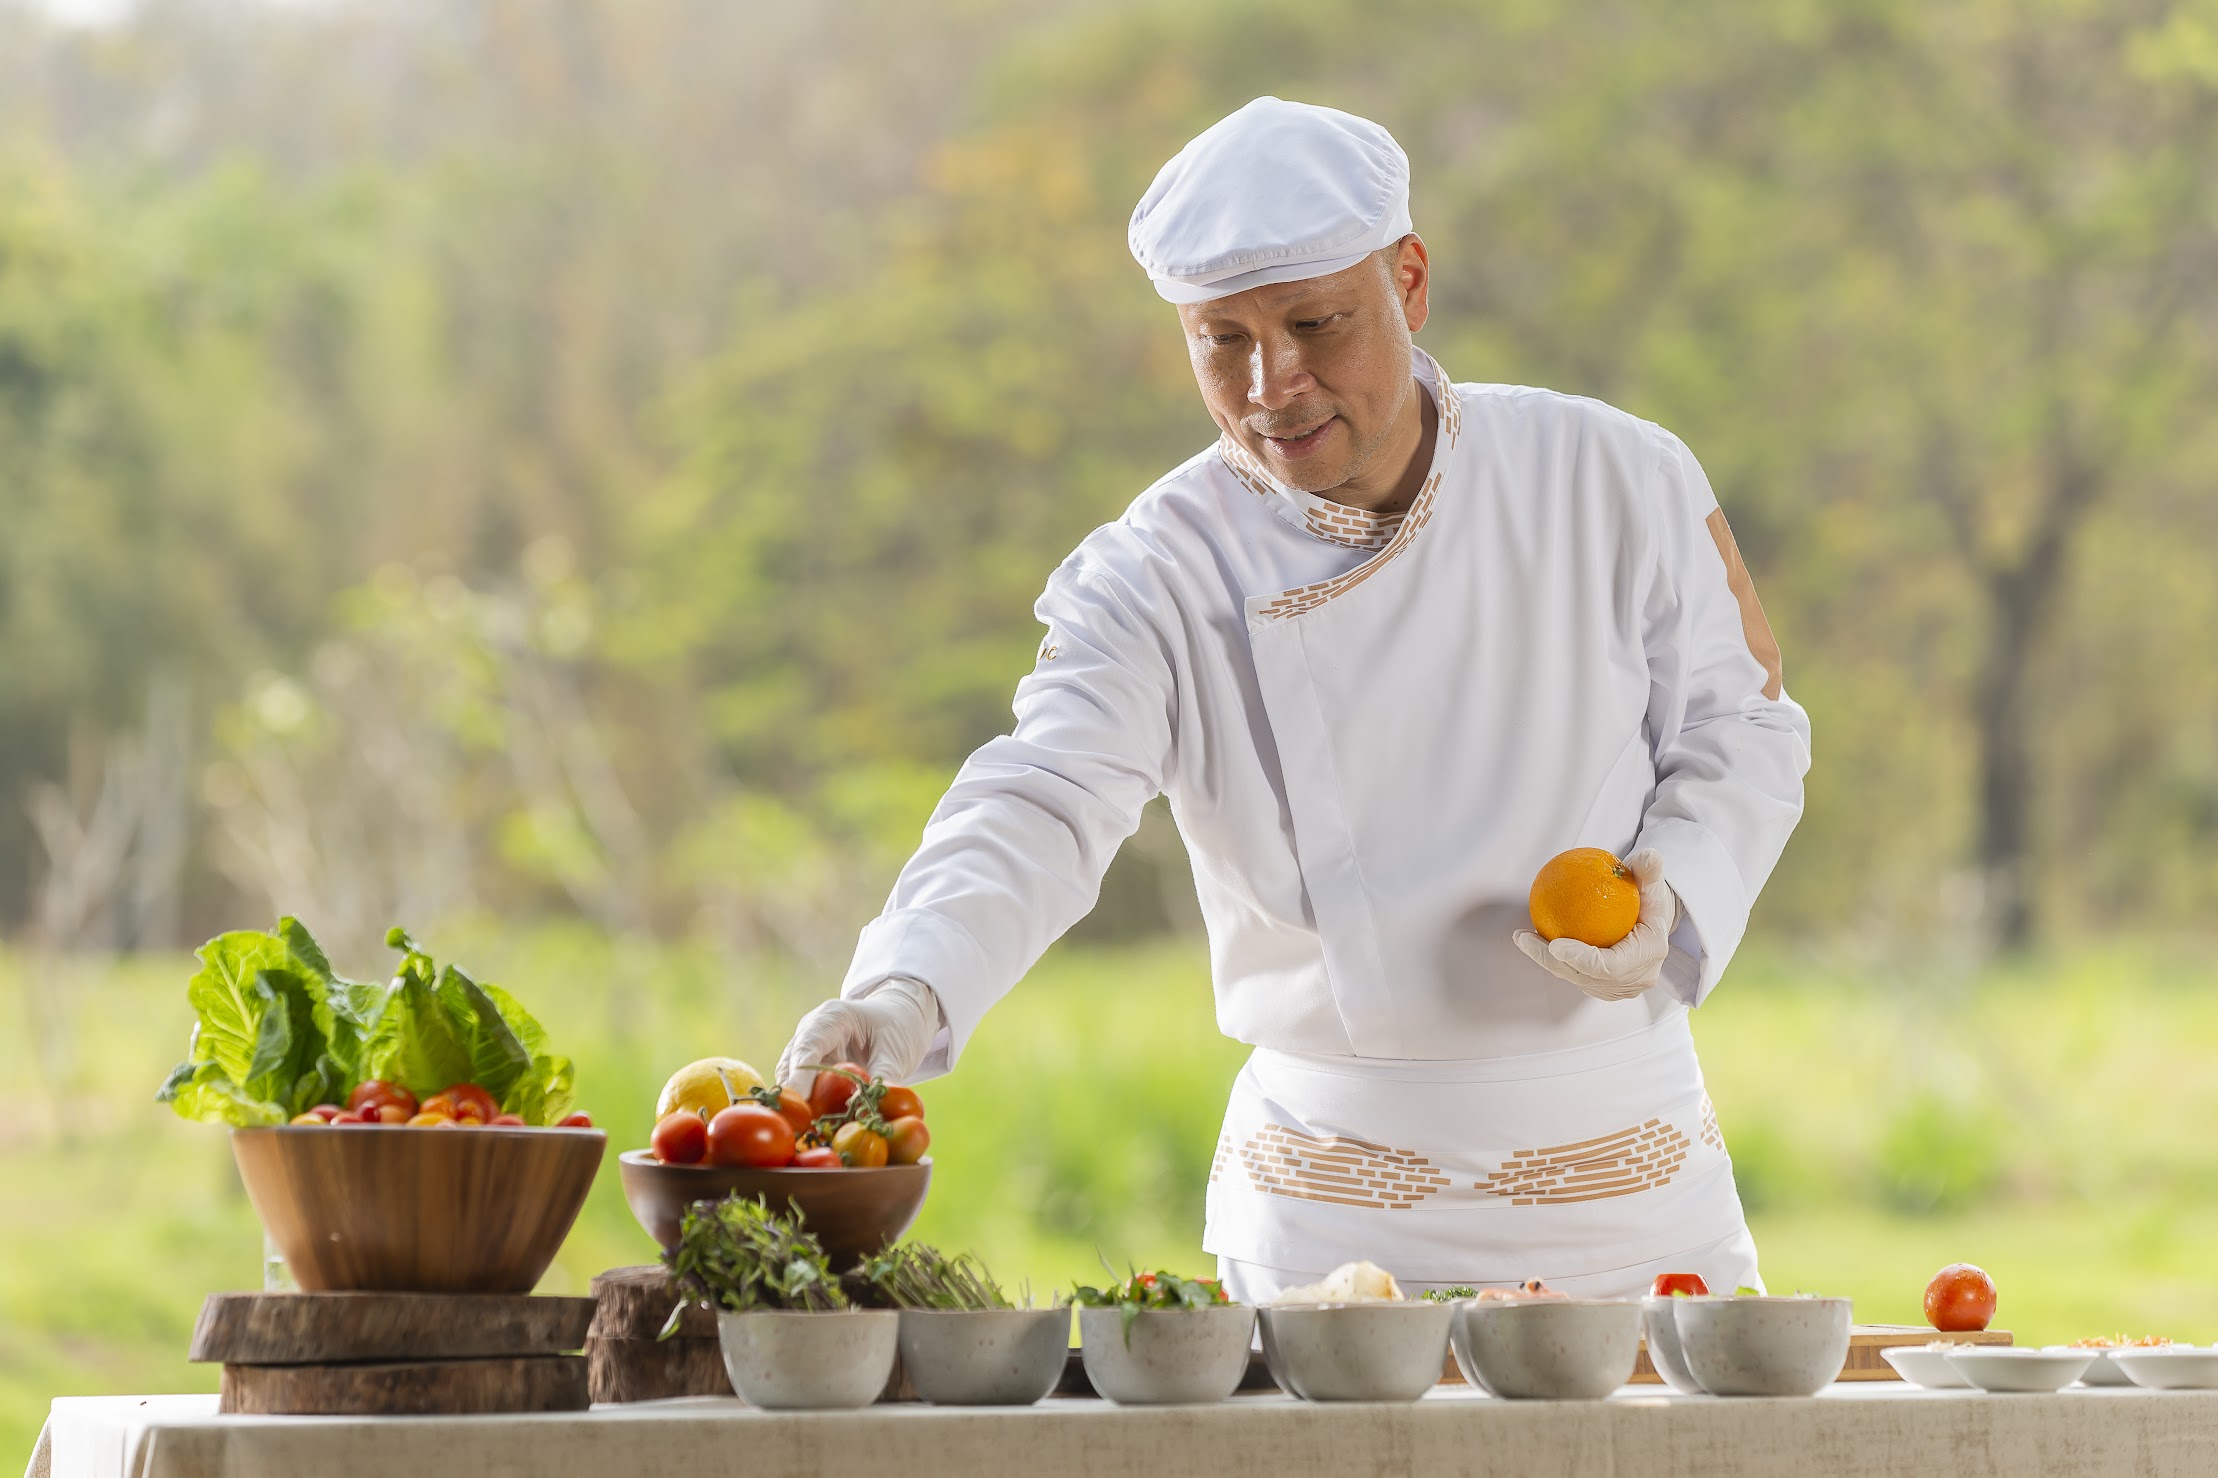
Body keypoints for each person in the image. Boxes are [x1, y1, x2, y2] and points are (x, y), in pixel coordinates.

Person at [775, 97, 1810, 1301]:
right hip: (1327, 1221)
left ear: (1410, 282)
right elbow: (1042, 794)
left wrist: (1670, 896)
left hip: (1624, 1194)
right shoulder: (1158, 565)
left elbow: (1744, 727)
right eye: (1222, 341)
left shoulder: (1616, 475)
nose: (1275, 384)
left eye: (1318, 323)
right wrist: (905, 983)